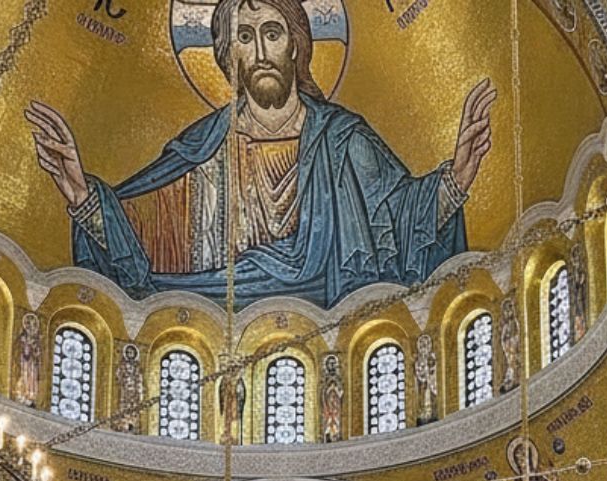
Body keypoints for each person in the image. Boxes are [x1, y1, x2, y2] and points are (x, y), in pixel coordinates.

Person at [26, 0, 495, 309]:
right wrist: (82, 194)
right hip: (210, 325)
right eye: (245, 38)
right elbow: (138, 241)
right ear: (229, 57)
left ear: (297, 45)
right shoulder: (201, 148)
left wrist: (455, 179)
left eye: (272, 33)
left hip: (336, 331)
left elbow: (400, 216)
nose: (261, 51)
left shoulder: (342, 138)